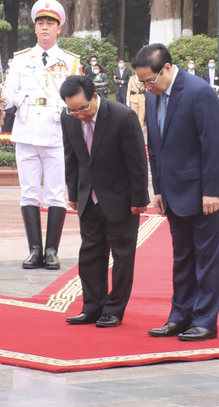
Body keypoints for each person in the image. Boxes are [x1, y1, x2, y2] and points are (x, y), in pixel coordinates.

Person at [134, 43, 219, 342]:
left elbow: (213, 145)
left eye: (150, 80)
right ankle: (180, 316)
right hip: (173, 192)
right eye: (141, 82)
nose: (147, 87)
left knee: (207, 260)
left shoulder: (198, 92)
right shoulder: (153, 96)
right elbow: (155, 147)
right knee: (182, 258)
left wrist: (213, 191)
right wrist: (159, 189)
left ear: (167, 68)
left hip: (204, 192)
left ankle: (205, 320)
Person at [60, 75, 149, 328]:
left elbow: (137, 162)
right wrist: (74, 193)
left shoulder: (122, 117)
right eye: (73, 109)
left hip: (120, 197)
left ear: (95, 96)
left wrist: (139, 198)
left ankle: (114, 309)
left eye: (83, 108)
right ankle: (92, 306)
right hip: (88, 196)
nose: (79, 114)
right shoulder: (68, 117)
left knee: (121, 255)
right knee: (90, 253)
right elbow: (72, 157)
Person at [3, 0, 80, 270]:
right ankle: (34, 249)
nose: (45, 28)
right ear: (34, 28)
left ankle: (52, 250)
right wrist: (4, 95)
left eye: (50, 24)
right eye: (40, 23)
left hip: (57, 133)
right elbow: (9, 97)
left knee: (57, 193)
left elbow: (78, 99)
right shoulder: (21, 59)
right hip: (26, 131)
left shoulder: (70, 62)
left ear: (59, 28)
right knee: (29, 192)